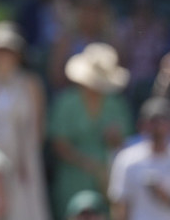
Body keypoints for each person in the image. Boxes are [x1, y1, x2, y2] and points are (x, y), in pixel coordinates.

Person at [0, 21, 51, 220]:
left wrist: (28, 157)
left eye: (8, 51)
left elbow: (39, 126)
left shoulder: (31, 83)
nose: (3, 56)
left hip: (23, 157)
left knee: (24, 208)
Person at [50, 43, 134, 219]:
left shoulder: (116, 104)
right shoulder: (67, 102)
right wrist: (88, 164)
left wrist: (114, 139)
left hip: (108, 175)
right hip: (74, 174)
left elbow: (125, 143)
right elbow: (59, 143)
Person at [108, 97, 170, 220]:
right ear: (143, 124)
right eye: (153, 121)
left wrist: (162, 194)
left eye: (162, 120)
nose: (157, 127)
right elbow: (119, 206)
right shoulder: (126, 159)